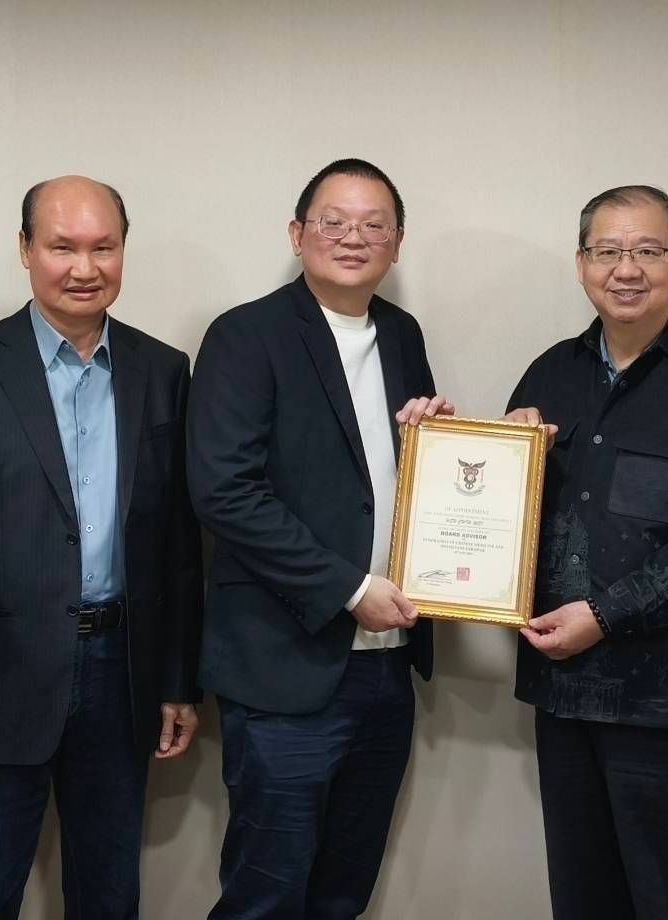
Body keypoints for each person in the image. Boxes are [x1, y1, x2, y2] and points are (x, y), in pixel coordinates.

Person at [0, 175, 204, 919]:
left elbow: (178, 544)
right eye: (62, 247)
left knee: (109, 898)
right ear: (25, 250)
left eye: (104, 247)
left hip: (121, 675)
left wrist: (177, 679)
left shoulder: (164, 370)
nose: (84, 268)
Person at [504, 185, 668, 920]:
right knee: (582, 901)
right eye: (608, 251)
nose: (626, 269)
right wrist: (502, 454)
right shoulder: (548, 375)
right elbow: (502, 520)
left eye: (648, 251)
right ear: (581, 264)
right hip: (564, 693)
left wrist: (603, 615)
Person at [188, 157, 446, 920]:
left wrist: (436, 441)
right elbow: (224, 490)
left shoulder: (401, 334)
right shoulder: (246, 335)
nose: (353, 237)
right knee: (266, 896)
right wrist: (349, 589)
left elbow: (396, 477)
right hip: (285, 668)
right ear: (297, 235)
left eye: (374, 225)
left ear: (397, 244)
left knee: (342, 892)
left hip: (387, 666)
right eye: (333, 222)